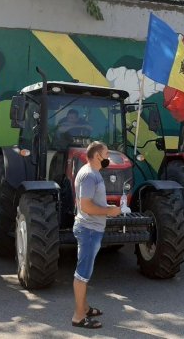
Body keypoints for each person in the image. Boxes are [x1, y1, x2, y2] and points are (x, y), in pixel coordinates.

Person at [72, 141, 122, 329]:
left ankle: (84, 307)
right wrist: (109, 211)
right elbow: (86, 206)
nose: (109, 157)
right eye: (106, 154)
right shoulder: (90, 176)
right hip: (89, 230)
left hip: (91, 229)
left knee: (85, 272)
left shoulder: (92, 173)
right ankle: (78, 316)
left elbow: (91, 203)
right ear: (97, 156)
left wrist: (108, 208)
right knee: (82, 274)